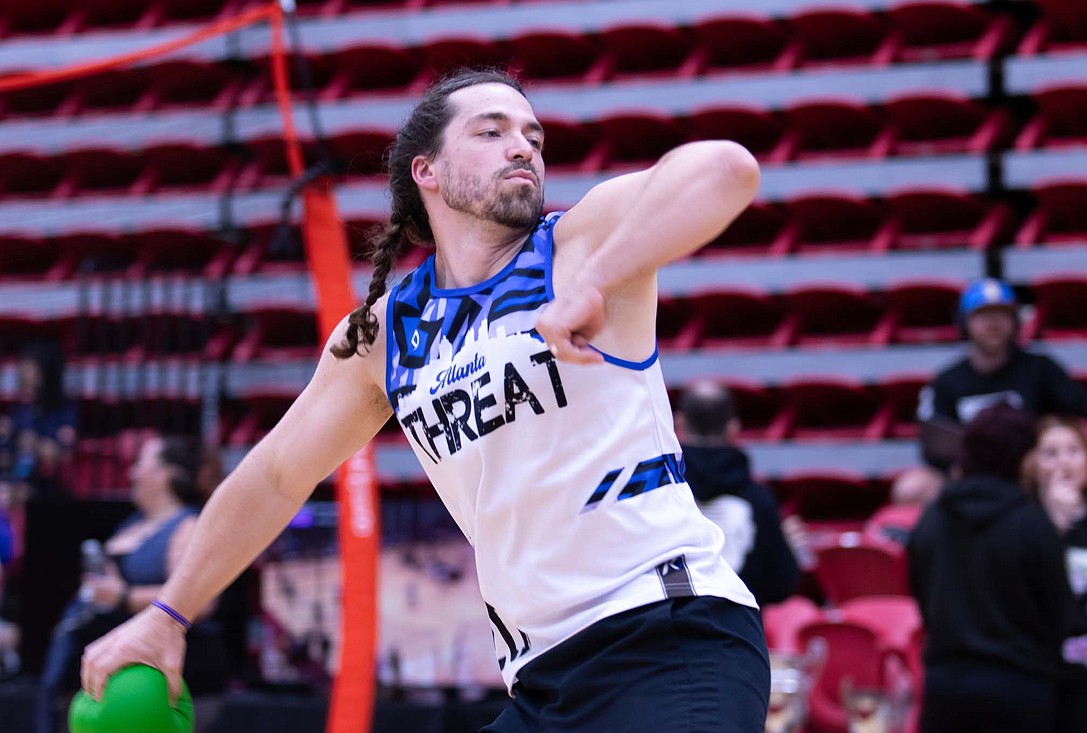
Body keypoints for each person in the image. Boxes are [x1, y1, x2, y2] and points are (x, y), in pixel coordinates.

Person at [81, 68, 770, 732]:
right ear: (426, 170)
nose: (522, 144)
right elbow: (277, 474)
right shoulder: (385, 332)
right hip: (543, 676)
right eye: (492, 131)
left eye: (532, 134)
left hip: (671, 635)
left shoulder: (578, 245)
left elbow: (727, 169)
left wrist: (595, 282)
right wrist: (168, 613)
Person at [36, 435, 228, 733]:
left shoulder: (186, 526)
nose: (132, 472)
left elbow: (203, 600)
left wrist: (123, 596)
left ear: (166, 473)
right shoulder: (133, 523)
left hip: (147, 685)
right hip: (105, 675)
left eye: (141, 463)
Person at [907, 404, 1074, 733]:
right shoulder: (1034, 524)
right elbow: (1059, 615)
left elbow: (921, 595)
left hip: (946, 688)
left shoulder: (932, 517)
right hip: (1022, 688)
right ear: (1025, 459)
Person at [917, 278, 1087, 472]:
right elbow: (934, 443)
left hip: (1028, 469)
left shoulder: (1039, 368)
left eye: (1002, 314)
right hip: (967, 470)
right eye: (984, 315)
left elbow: (1084, 404)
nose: (993, 323)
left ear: (1016, 321)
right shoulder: (947, 380)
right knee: (913, 487)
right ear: (965, 322)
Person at [674, 379, 803, 606]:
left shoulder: (661, 494)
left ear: (680, 423)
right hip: (740, 633)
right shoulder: (760, 500)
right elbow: (781, 586)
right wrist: (787, 547)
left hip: (673, 630)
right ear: (733, 428)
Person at [1025, 415, 1087, 733]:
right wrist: (1055, 524)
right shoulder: (1019, 526)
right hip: (1040, 674)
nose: (1064, 462)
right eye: (1051, 453)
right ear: (1032, 465)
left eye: (1073, 450)